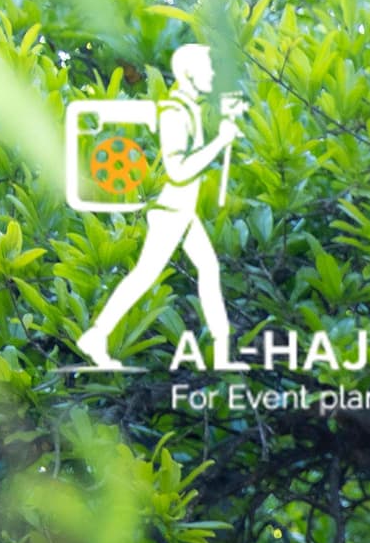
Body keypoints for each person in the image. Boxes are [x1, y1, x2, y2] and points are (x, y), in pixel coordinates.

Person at [77, 45, 245, 374]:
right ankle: (96, 336)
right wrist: (219, 142)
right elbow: (178, 171)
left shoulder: (189, 111)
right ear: (190, 73)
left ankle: (223, 348)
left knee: (208, 270)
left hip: (184, 212)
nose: (211, 74)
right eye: (207, 68)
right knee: (145, 276)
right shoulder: (173, 114)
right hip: (171, 210)